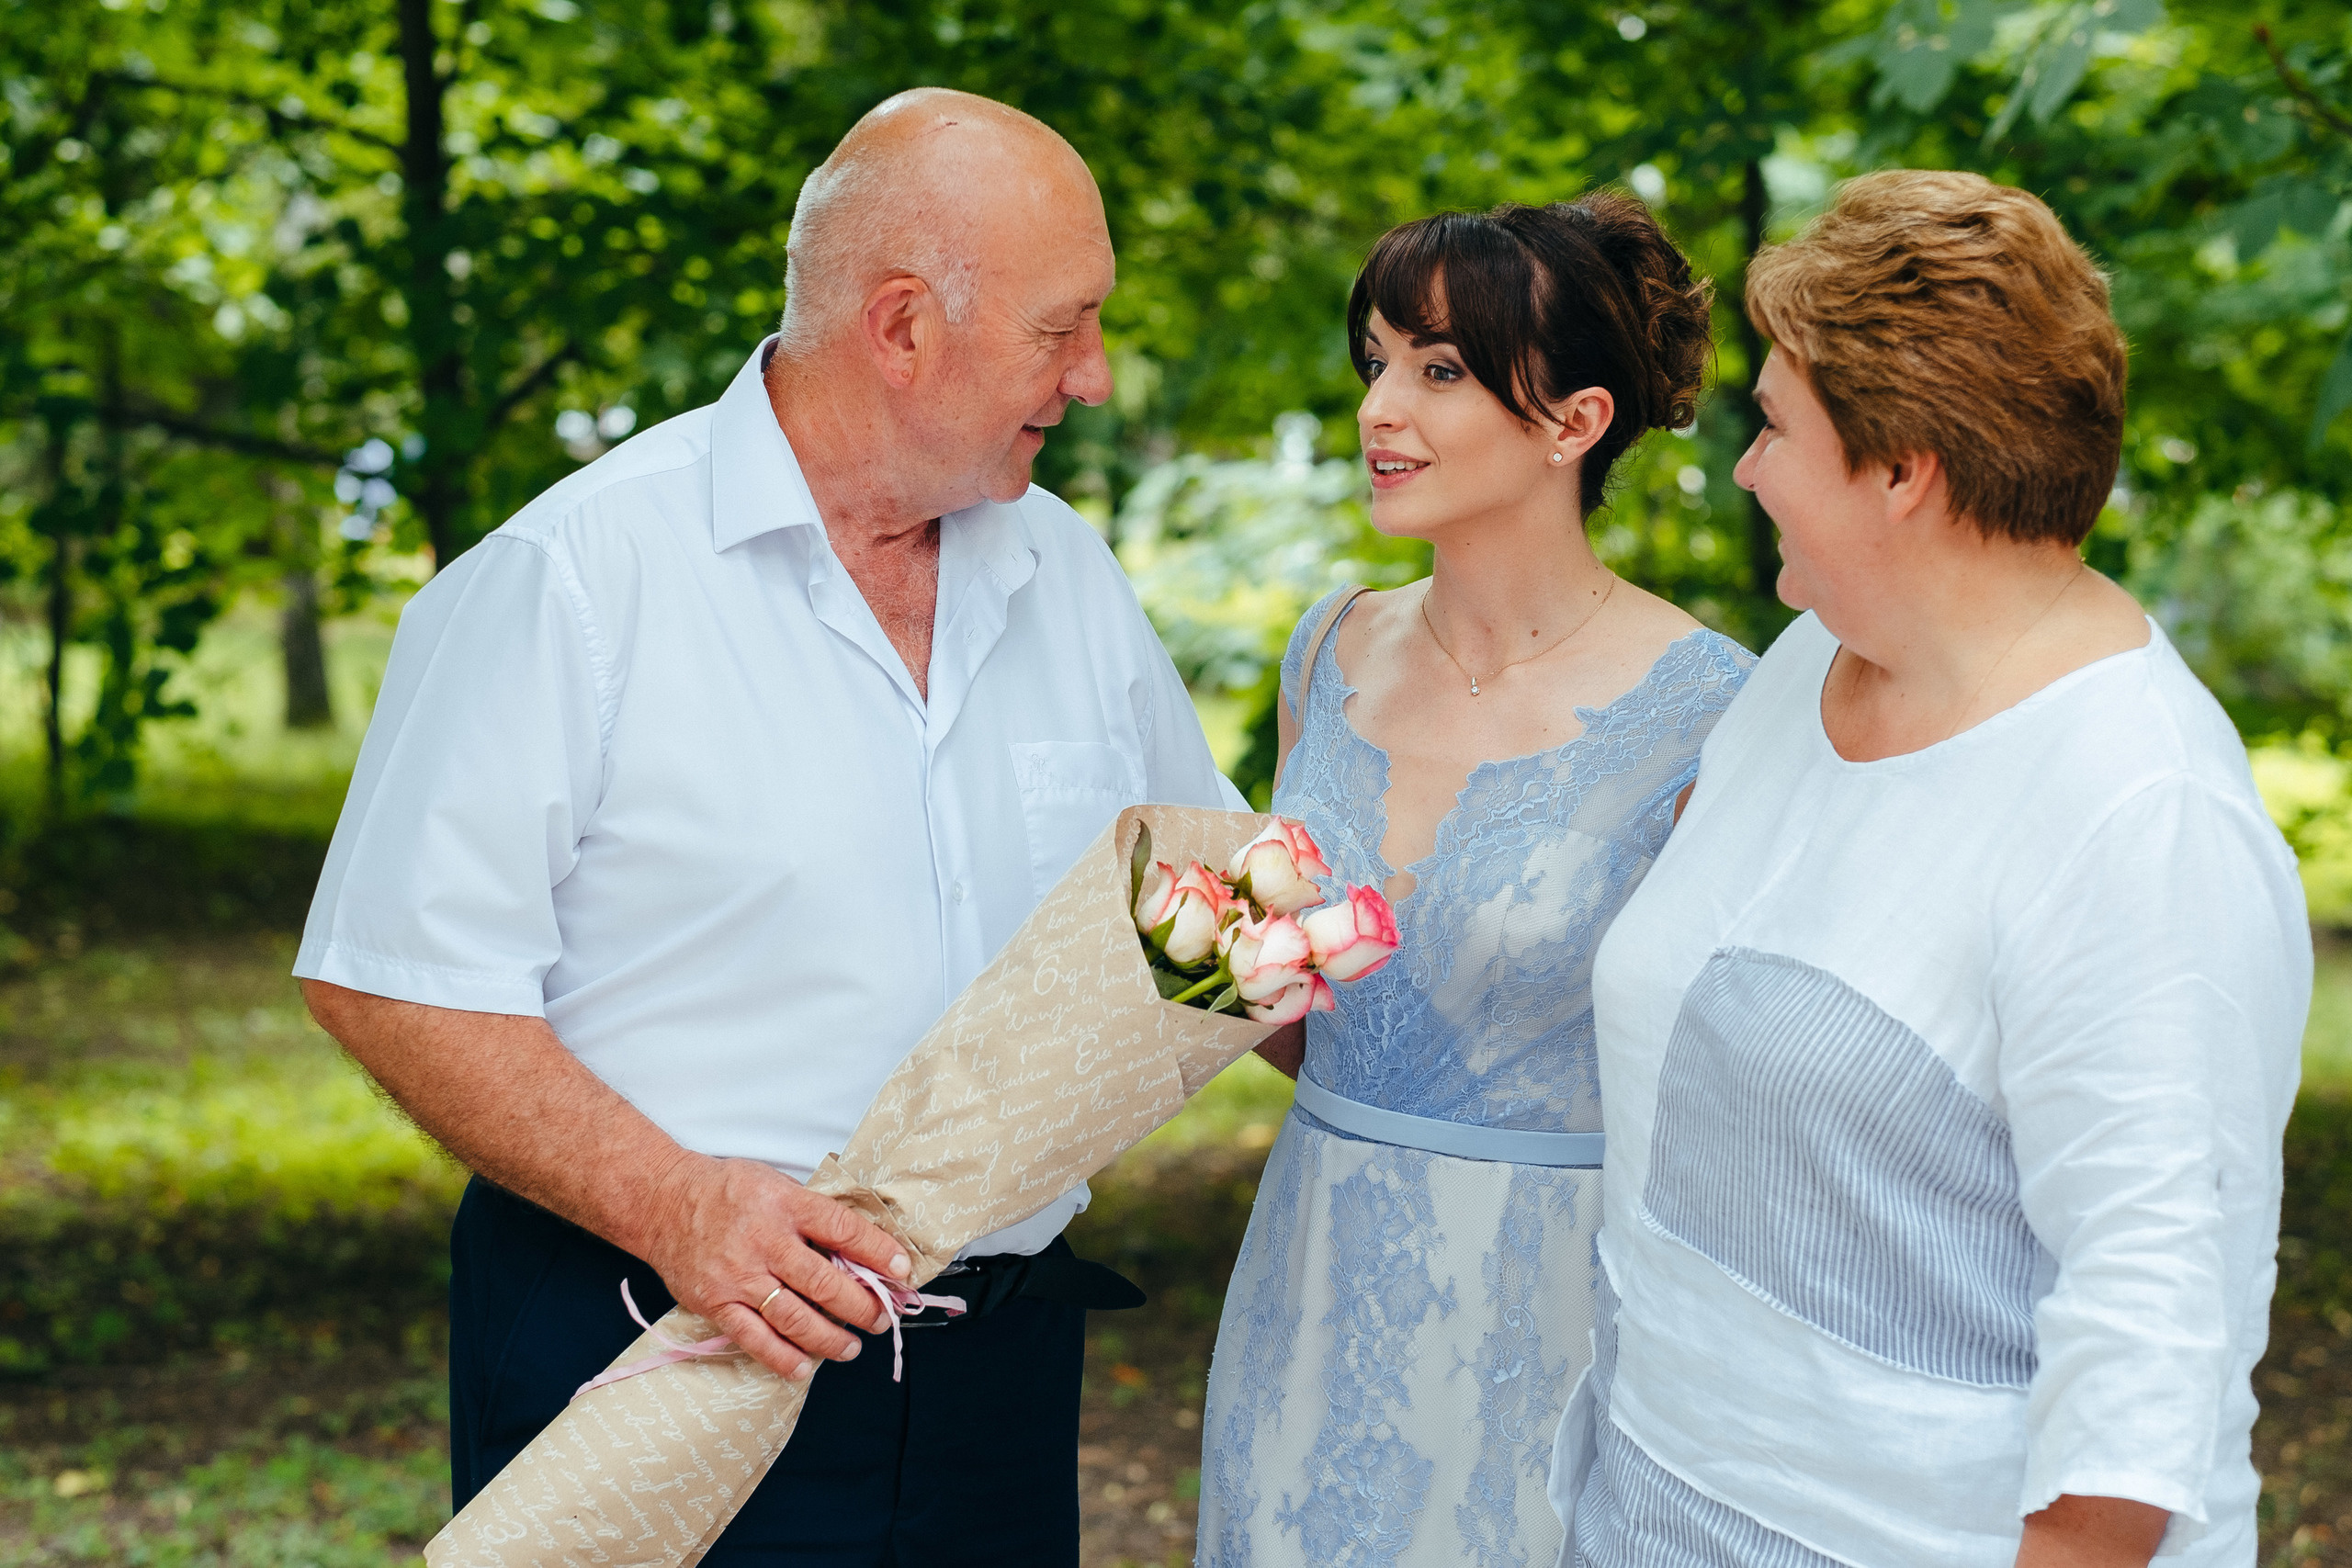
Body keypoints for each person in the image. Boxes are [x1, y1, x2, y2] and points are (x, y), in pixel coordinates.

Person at [295, 88, 1241, 1567]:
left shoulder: (1068, 574)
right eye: (1063, 329)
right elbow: (391, 978)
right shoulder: (573, 577)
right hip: (656, 1342)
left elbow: (1206, 919)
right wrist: (677, 1204)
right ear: (902, 325)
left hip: (997, 1386)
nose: (1096, 376)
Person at [1556, 170, 2311, 1568]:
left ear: (1903, 470)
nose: (1746, 469)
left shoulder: (2139, 814)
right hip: (1649, 1503)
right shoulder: (1804, 667)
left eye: (1776, 427)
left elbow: (2145, 1369)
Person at [1195, 195, 1752, 1567]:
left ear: (1575, 422)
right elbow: (1301, 1019)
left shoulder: (1713, 711)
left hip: (1546, 1317)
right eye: (1377, 360)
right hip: (1306, 1287)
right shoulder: (1327, 650)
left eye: (1439, 370)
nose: (1379, 409)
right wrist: (1192, 956)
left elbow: (1726, 1103)